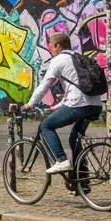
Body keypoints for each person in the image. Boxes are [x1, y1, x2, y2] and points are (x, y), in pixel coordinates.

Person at [24, 33, 104, 174]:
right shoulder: (79, 58)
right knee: (74, 137)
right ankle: (81, 175)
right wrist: (58, 106)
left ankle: (61, 160)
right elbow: (75, 89)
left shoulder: (59, 60)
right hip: (96, 105)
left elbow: (45, 84)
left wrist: (30, 104)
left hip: (79, 106)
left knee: (46, 126)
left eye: (51, 47)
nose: (51, 51)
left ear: (58, 46)